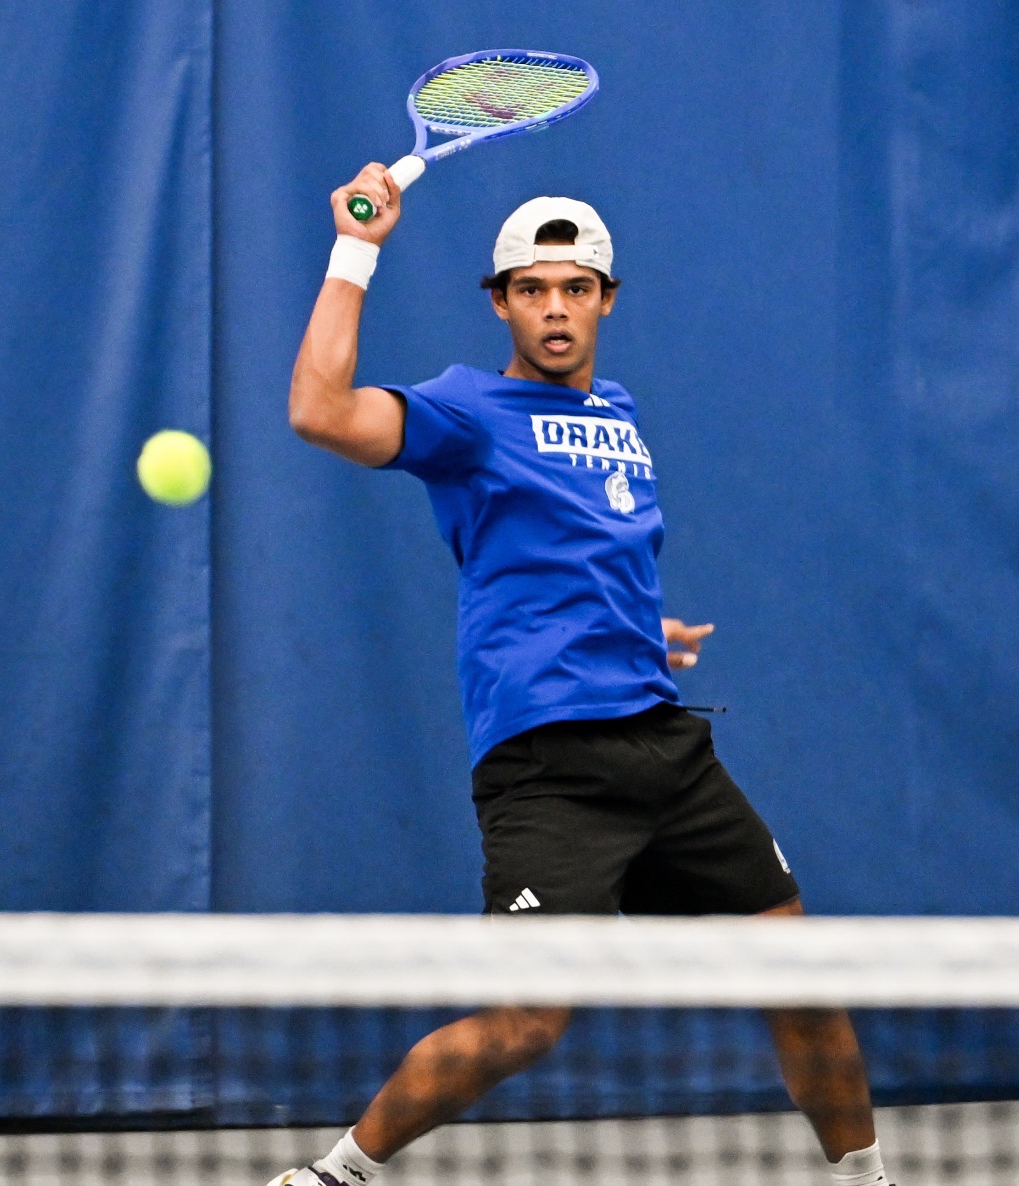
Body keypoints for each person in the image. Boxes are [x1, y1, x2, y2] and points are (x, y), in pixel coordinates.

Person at [269, 162, 890, 1186]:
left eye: (573, 287)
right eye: (530, 287)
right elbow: (317, 410)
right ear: (500, 301)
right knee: (523, 1019)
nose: (553, 308)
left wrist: (641, 627)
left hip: (663, 746)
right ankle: (331, 1176)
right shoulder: (464, 414)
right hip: (548, 768)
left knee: (801, 976)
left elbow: (578, 550)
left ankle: (866, 1181)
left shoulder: (619, 411)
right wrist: (356, 248)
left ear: (602, 299)